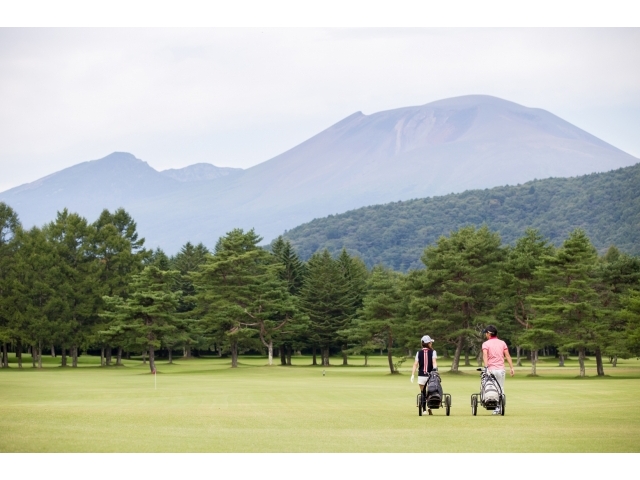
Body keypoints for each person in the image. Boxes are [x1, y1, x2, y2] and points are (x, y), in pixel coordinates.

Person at [481, 325, 514, 415]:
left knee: (492, 388)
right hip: (501, 369)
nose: (485, 335)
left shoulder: (486, 344)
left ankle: (495, 407)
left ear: (489, 334)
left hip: (491, 369)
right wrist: (511, 368)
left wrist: (486, 367)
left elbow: (485, 355)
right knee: (501, 388)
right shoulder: (502, 343)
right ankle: (500, 406)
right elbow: (507, 355)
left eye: (486, 333)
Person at [410, 335, 438, 415]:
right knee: (431, 391)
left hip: (421, 375)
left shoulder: (418, 353)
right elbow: (434, 362)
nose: (431, 344)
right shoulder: (433, 352)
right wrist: (435, 369)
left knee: (423, 392)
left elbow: (415, 364)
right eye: (430, 342)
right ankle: (430, 407)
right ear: (428, 343)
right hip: (431, 375)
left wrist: (412, 375)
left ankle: (424, 410)